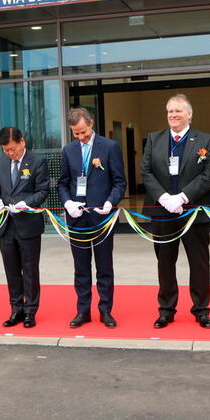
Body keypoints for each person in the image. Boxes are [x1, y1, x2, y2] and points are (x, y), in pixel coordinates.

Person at [142, 94, 210, 329]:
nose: (173, 115)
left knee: (199, 263)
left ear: (189, 114)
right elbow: (146, 171)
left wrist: (183, 197)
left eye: (178, 111)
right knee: (165, 262)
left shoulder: (207, 140)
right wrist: (165, 198)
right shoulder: (155, 139)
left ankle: (201, 310)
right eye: (170, 111)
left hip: (194, 212)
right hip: (162, 211)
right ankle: (166, 310)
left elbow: (208, 175)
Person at [58, 108, 126, 329]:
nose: (80, 137)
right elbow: (63, 182)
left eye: (83, 132)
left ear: (91, 123)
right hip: (77, 217)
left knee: (104, 266)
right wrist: (68, 202)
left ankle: (105, 310)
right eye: (76, 134)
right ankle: (83, 310)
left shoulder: (109, 147)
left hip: (102, 217)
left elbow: (119, 181)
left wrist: (110, 202)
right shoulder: (68, 150)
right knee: (81, 267)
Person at [0, 127, 50, 329]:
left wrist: (28, 203)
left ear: (22, 142)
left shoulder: (37, 161)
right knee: (12, 269)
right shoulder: (0, 162)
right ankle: (16, 308)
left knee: (30, 269)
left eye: (12, 149)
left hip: (28, 224)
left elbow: (43, 191)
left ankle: (31, 310)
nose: (9, 153)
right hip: (6, 224)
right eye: (6, 150)